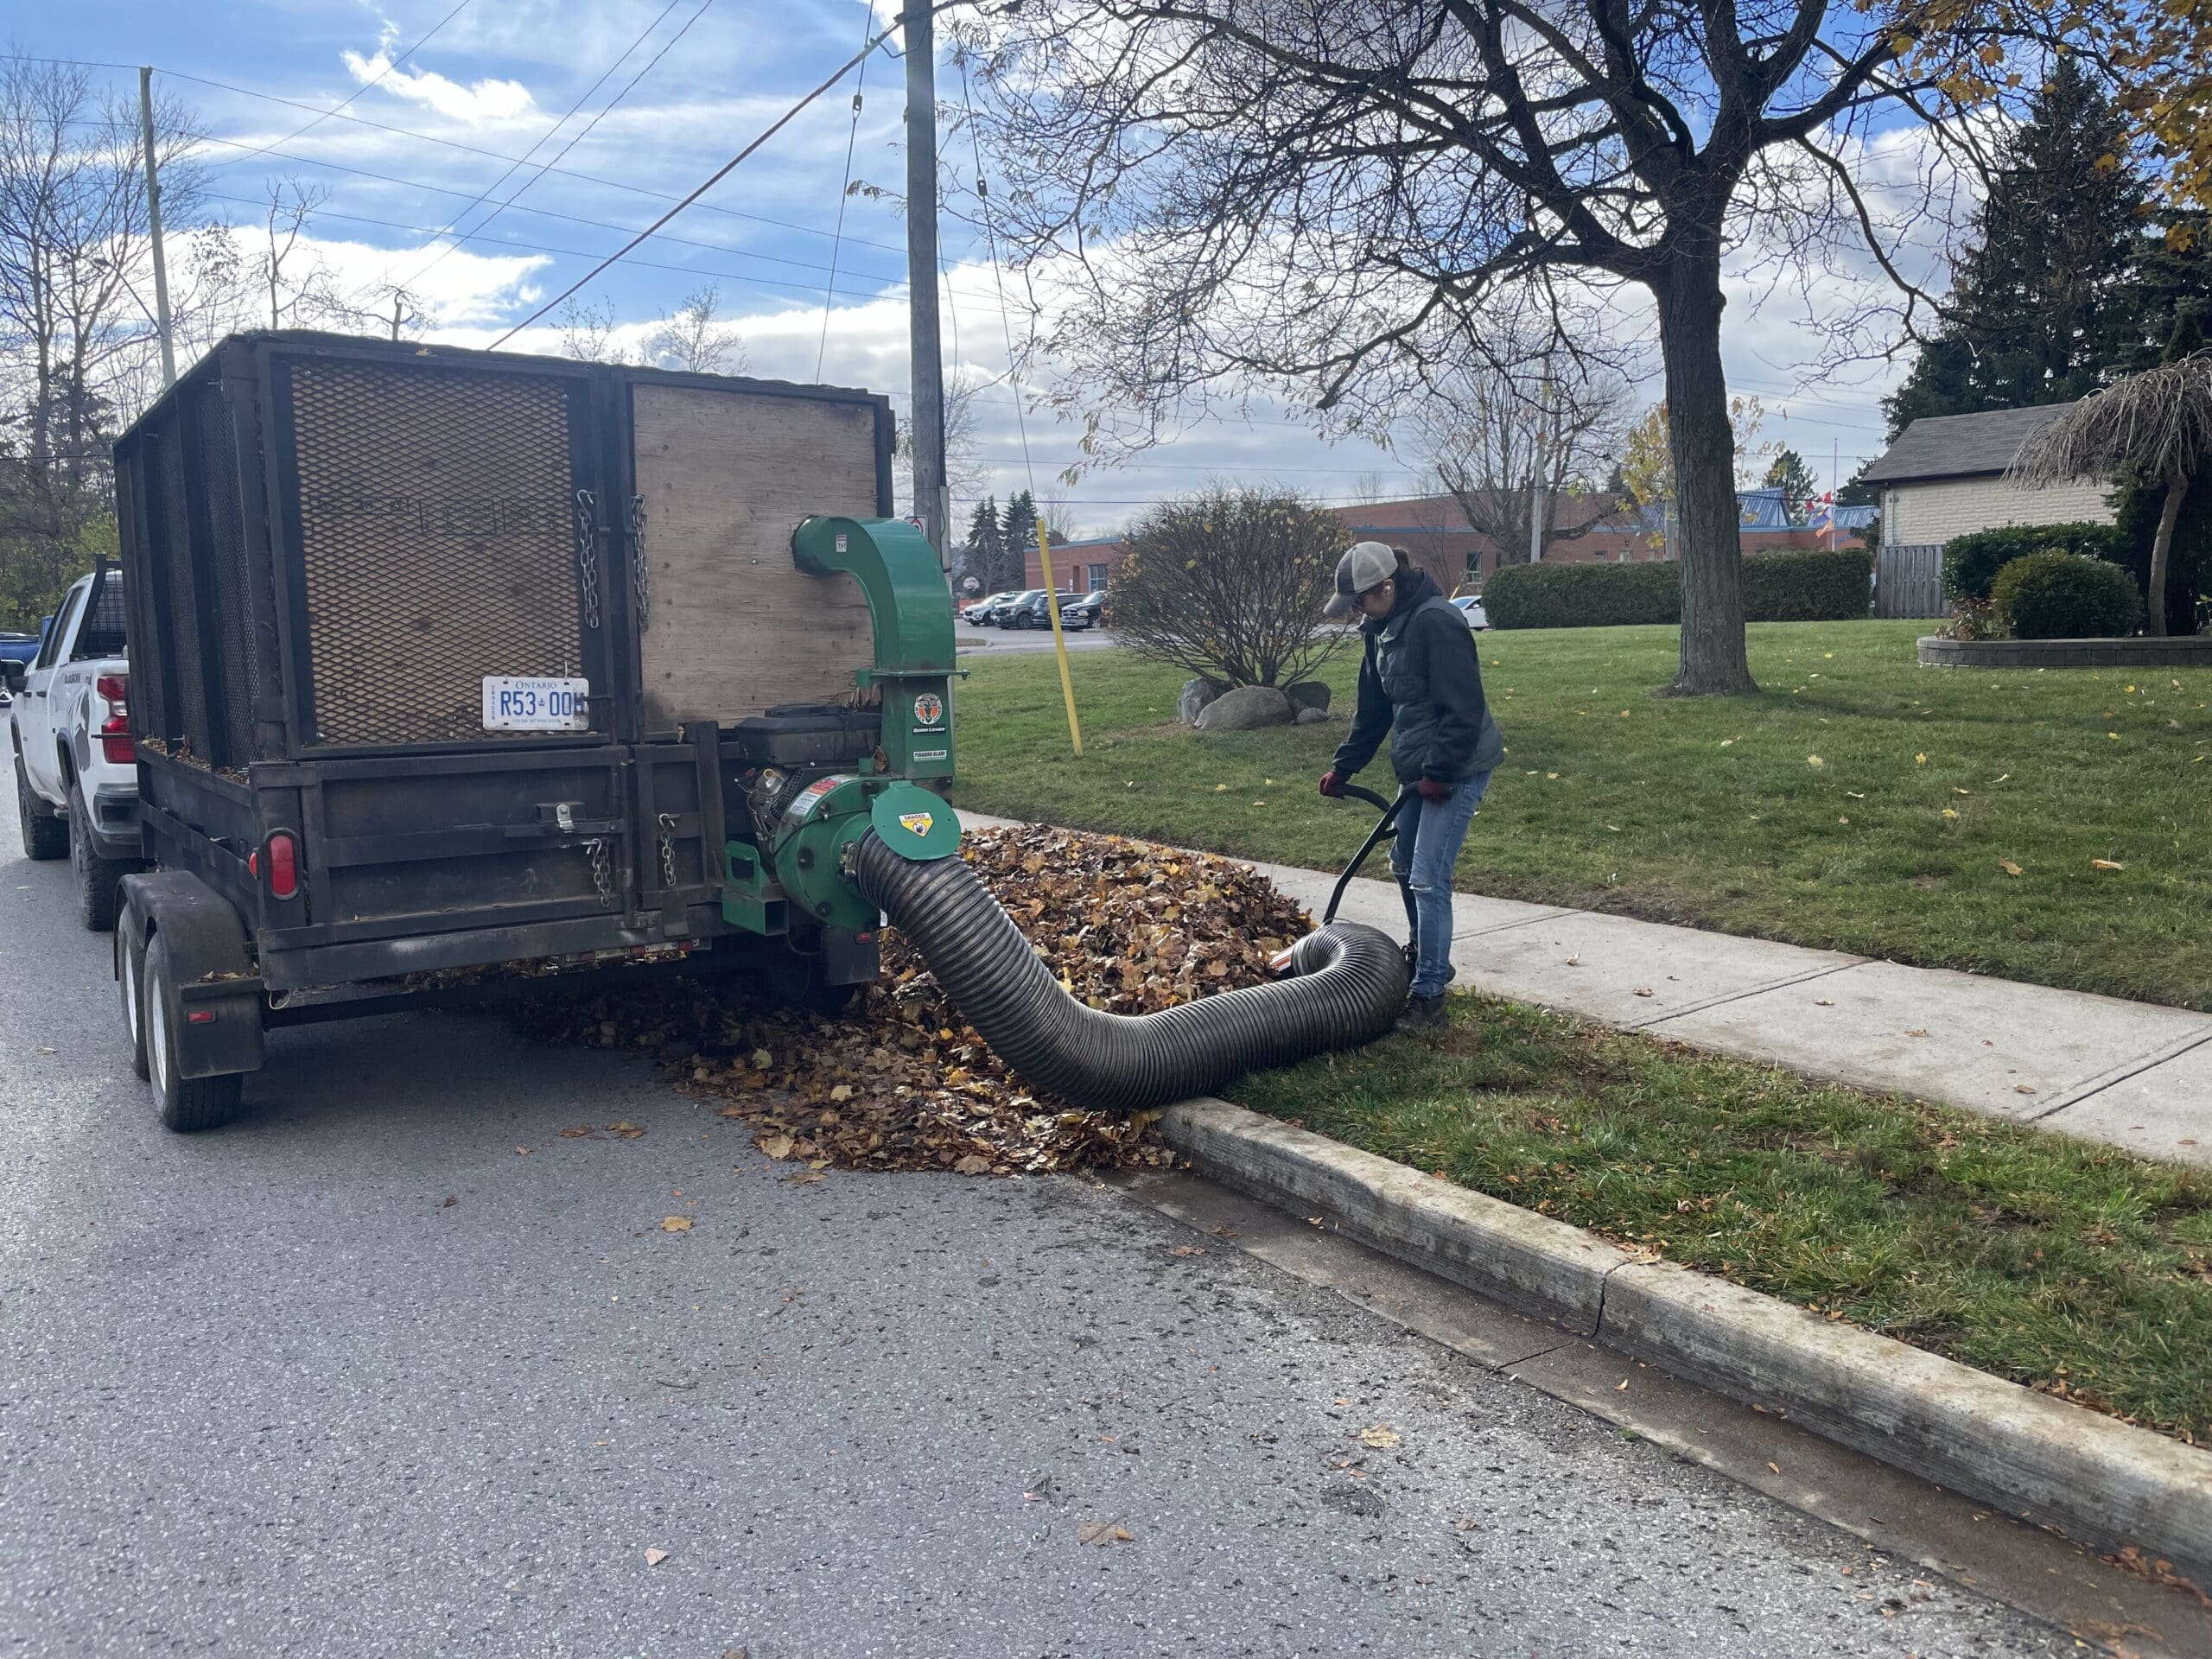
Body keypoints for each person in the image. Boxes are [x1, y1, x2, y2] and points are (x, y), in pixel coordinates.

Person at [1318, 542, 1502, 1030]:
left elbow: (1463, 709)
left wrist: (1440, 774)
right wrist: (1346, 767)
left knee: (1427, 876)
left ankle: (1430, 994)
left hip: (1456, 764)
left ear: (1388, 587)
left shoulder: (1436, 622)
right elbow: (1373, 708)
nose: (1356, 610)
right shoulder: (1379, 629)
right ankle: (1426, 953)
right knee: (1402, 863)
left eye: (1360, 600)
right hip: (1421, 766)